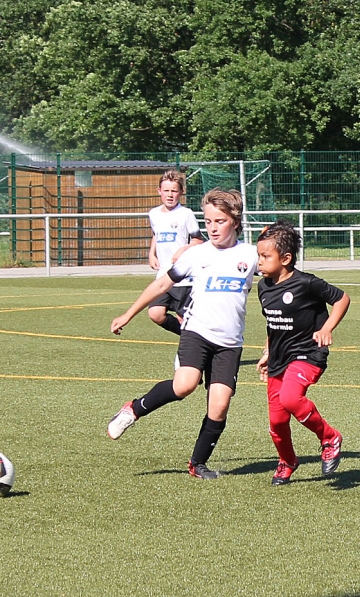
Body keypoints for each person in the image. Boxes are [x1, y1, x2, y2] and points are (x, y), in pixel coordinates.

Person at [107, 188, 258, 479]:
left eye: (220, 221)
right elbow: (161, 285)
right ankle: (134, 409)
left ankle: (197, 464)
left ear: (236, 222)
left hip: (230, 343)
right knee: (184, 385)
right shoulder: (196, 254)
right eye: (209, 221)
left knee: (219, 406)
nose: (213, 228)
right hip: (196, 332)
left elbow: (278, 274)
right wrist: (128, 314)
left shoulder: (250, 255)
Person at [256, 221, 350, 486]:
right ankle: (287, 461)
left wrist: (327, 328)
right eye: (258, 256)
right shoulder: (263, 287)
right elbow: (273, 323)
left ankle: (329, 437)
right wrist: (267, 351)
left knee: (290, 398)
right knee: (277, 421)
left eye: (266, 256)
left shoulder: (307, 283)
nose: (260, 262)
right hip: (279, 358)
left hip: (308, 354)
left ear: (286, 258)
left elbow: (342, 299)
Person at [147, 169, 204, 335]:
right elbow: (156, 234)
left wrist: (183, 249)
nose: (170, 195)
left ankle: (195, 339)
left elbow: (198, 240)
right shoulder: (154, 214)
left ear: (181, 192)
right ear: (159, 191)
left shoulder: (186, 214)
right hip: (163, 275)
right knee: (155, 313)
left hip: (182, 278)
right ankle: (190, 336)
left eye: (174, 191)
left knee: (186, 318)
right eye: (166, 190)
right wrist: (151, 253)